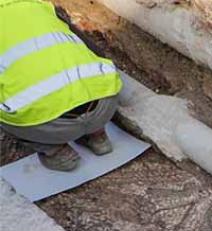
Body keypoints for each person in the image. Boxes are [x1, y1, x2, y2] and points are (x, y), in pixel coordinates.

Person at [0, 0, 122, 172]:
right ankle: (98, 136)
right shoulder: (38, 5)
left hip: (48, 126)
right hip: (106, 103)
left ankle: (57, 152)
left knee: (6, 111)